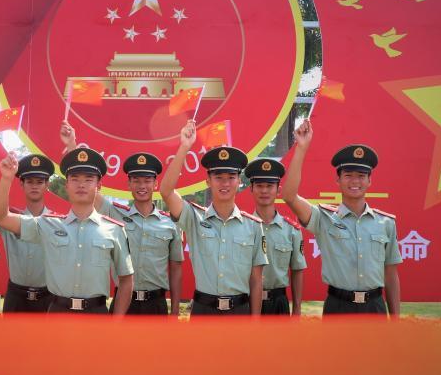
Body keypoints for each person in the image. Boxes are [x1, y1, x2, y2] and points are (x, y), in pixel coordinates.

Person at [0, 147, 135, 315]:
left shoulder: (114, 229)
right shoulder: (48, 225)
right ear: (66, 185)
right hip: (58, 313)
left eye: (88, 179)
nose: (81, 184)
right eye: (75, 179)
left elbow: (126, 279)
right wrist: (6, 178)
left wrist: (115, 323)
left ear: (99, 185)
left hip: (97, 314)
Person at [59, 122, 183, 316]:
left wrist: (175, 310)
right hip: (123, 303)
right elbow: (89, 189)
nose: (142, 186)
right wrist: (72, 145)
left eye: (147, 181)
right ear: (129, 184)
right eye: (136, 181)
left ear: (155, 184)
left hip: (156, 306)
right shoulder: (115, 213)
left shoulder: (171, 223)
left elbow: (176, 268)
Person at [280, 118, 401, 316]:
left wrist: (395, 319)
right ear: (338, 179)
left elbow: (391, 274)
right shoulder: (324, 218)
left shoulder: (385, 223)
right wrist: (301, 148)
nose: (355, 181)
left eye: (361, 175)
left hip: (375, 308)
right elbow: (289, 196)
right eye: (348, 175)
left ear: (369, 180)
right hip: (338, 307)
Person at [158, 120, 267, 316]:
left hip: (240, 313)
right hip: (203, 311)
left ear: (239, 181)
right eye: (218, 177)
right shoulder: (194, 218)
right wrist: (184, 147)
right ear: (208, 181)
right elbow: (166, 191)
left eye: (231, 177)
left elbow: (256, 280)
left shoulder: (253, 226)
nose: (225, 183)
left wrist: (255, 323)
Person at [0, 131, 55, 313]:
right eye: (29, 181)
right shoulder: (8, 217)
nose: (34, 185)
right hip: (16, 299)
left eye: (40, 181)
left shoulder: (56, 223)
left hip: (48, 298)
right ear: (21, 184)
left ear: (47, 185)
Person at [243, 158, 307, 315]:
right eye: (259, 186)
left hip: (278, 304)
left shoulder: (291, 230)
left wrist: (297, 309)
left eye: (270, 186)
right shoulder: (242, 227)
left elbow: (297, 270)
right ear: (251, 188)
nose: (264, 191)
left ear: (278, 190)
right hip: (246, 302)